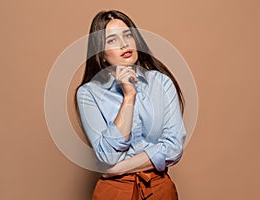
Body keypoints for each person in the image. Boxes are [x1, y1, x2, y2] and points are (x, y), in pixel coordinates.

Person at [75, 10, 186, 200]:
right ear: (101, 54)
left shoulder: (161, 83)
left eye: (128, 35)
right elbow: (107, 156)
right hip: (114, 192)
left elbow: (174, 148)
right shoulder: (88, 93)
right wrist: (129, 96)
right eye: (112, 40)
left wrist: (117, 168)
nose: (124, 44)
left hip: (159, 190)